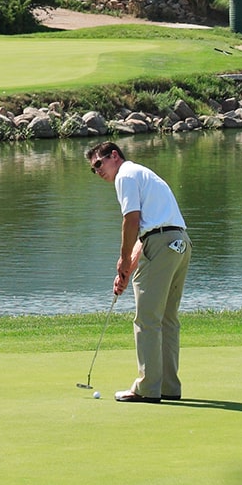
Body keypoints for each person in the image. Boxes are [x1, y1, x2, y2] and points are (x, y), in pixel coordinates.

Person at [85, 141, 192, 404]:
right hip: (180, 243)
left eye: (99, 164)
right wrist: (127, 270)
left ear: (114, 156)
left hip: (161, 244)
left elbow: (131, 220)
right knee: (167, 319)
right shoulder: (143, 174)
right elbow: (146, 233)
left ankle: (147, 388)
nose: (98, 171)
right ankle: (168, 386)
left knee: (147, 320)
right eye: (93, 169)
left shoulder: (126, 175)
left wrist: (122, 260)